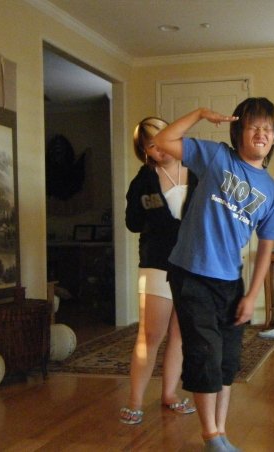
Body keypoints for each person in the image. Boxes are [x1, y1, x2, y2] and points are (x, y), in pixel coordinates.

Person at [154, 98, 274, 452]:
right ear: (238, 131)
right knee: (205, 352)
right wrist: (199, 113)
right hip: (191, 272)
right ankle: (210, 435)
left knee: (228, 361)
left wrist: (252, 295)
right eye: (253, 126)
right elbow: (163, 141)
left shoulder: (272, 193)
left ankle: (221, 432)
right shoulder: (217, 157)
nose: (261, 133)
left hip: (230, 281)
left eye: (268, 129)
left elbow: (267, 247)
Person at [119, 117, 197, 425]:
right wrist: (150, 208)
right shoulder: (143, 180)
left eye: (162, 139)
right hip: (157, 263)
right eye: (151, 145)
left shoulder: (197, 170)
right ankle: (135, 401)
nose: (159, 149)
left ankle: (170, 394)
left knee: (179, 334)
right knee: (150, 335)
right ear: (144, 151)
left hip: (193, 263)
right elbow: (133, 222)